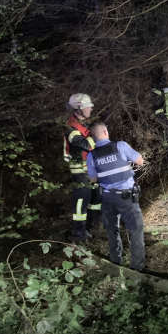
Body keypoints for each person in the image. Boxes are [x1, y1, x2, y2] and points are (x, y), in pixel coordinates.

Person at [86, 122, 146, 271]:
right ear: (105, 132)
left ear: (93, 138)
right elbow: (140, 161)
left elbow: (92, 179)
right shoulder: (120, 146)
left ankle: (115, 264)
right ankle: (137, 269)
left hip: (107, 198)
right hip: (126, 198)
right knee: (135, 230)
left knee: (112, 231)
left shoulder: (91, 155)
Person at [63, 93, 101, 241]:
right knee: (81, 202)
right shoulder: (71, 128)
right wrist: (96, 135)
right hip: (80, 172)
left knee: (96, 199)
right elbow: (85, 145)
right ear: (78, 108)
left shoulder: (84, 124)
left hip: (91, 170)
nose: (90, 108)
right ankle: (78, 234)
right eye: (87, 106)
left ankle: (93, 229)